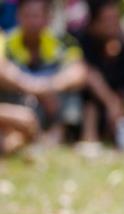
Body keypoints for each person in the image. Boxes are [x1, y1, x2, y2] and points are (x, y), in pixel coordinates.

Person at [3, 0, 86, 143]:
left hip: (51, 102)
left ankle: (58, 131)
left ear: (48, 18)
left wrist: (49, 86)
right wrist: (31, 86)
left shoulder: (63, 41)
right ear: (18, 16)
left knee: (71, 90)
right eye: (27, 15)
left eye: (36, 16)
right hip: (19, 103)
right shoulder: (6, 40)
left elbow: (79, 72)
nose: (32, 21)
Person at [78, 0, 124, 151]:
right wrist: (110, 102)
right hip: (88, 107)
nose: (113, 25)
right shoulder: (81, 43)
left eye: (116, 19)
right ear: (93, 23)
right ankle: (89, 138)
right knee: (91, 103)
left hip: (121, 109)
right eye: (107, 20)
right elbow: (87, 72)